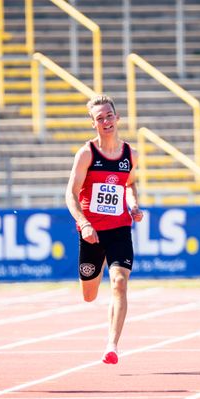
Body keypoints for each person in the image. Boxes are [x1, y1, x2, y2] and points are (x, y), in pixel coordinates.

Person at [65, 94, 144, 365]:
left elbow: (130, 184)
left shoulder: (130, 154)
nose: (106, 121)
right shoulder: (87, 153)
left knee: (120, 282)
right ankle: (94, 272)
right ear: (93, 123)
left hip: (120, 228)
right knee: (89, 295)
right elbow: (70, 193)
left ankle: (112, 345)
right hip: (91, 232)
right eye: (100, 118)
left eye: (109, 115)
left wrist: (133, 205)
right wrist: (84, 223)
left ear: (117, 117)